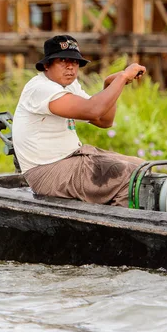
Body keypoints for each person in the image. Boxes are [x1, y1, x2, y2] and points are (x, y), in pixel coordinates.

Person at [12, 35, 147, 207]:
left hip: (72, 158)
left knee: (143, 167)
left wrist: (108, 85)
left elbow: (103, 120)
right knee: (130, 176)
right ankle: (119, 227)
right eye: (63, 61)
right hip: (47, 172)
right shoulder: (41, 88)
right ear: (47, 65)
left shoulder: (70, 85)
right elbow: (94, 109)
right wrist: (122, 78)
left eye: (74, 62)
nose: (70, 67)